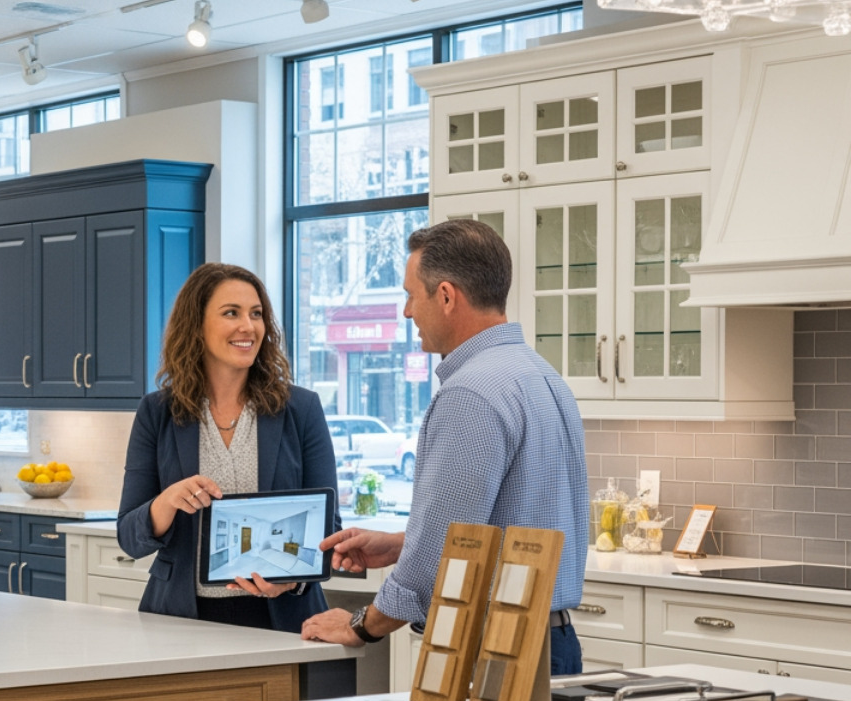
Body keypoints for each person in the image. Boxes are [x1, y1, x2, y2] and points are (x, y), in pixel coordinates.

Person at [299, 219, 590, 674]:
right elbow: (503, 526)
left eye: (411, 295)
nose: (406, 312)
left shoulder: (470, 393)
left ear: (447, 296)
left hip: (493, 647)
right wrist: (402, 544)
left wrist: (360, 625)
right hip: (553, 642)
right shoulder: (542, 376)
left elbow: (441, 554)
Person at [117, 262, 340, 633]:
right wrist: (167, 501)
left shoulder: (301, 409)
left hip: (282, 619)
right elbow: (129, 537)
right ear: (196, 325)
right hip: (181, 620)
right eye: (231, 313)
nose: (248, 326)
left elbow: (329, 528)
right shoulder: (157, 413)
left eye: (256, 314)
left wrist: (293, 580)